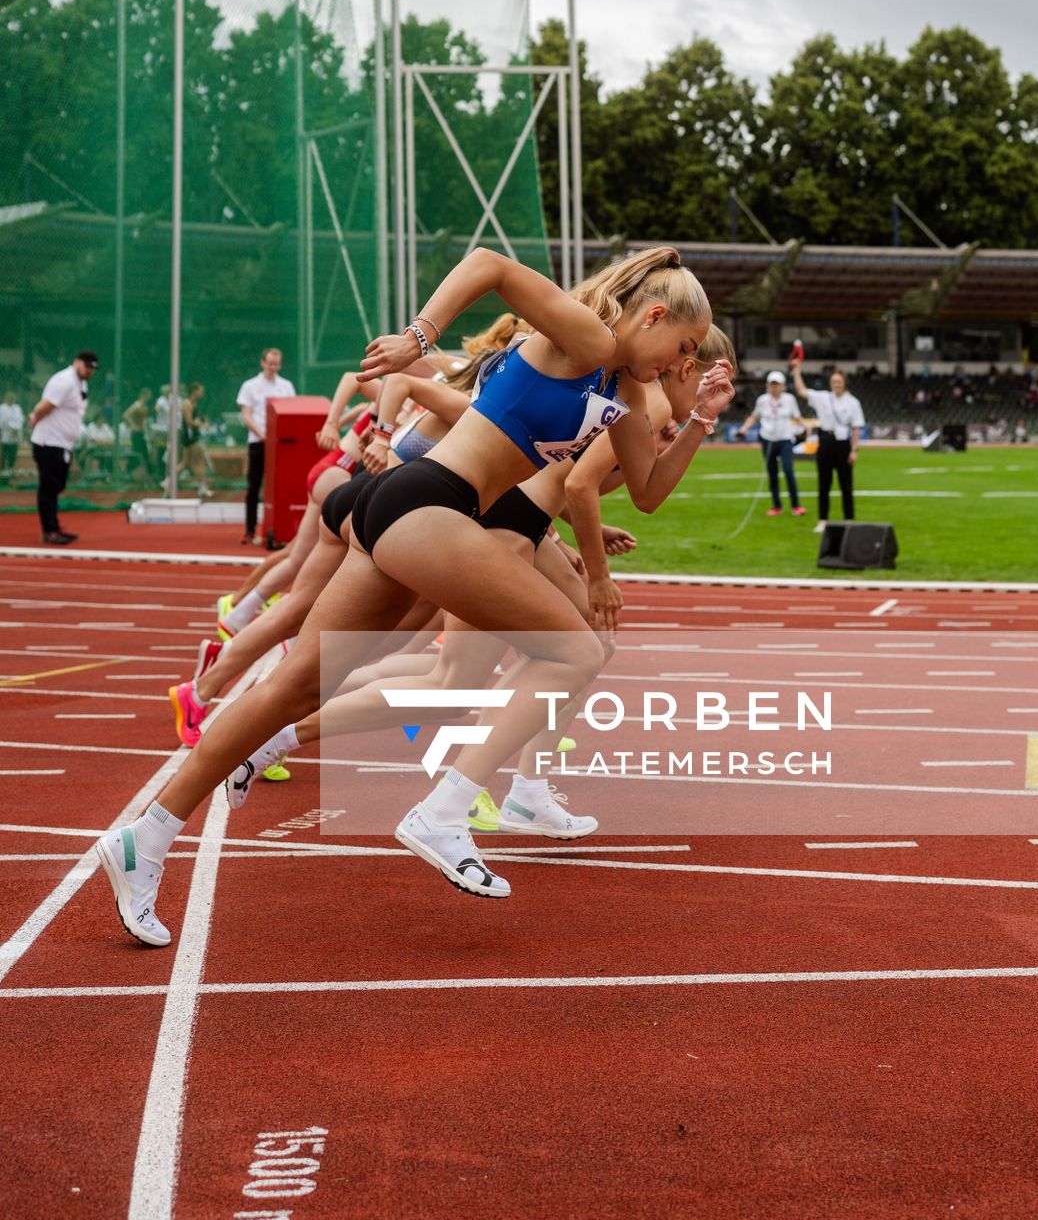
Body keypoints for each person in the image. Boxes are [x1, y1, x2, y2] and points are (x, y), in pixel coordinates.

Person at [97, 244, 730, 941]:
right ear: (656, 314)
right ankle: (446, 808)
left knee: (294, 690)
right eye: (683, 346)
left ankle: (144, 837)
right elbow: (490, 264)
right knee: (576, 651)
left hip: (410, 513)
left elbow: (647, 492)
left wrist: (697, 417)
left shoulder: (630, 393)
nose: (681, 363)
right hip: (430, 500)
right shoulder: (589, 338)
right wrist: (417, 337)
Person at [28, 350, 98, 544]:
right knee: (49, 487)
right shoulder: (64, 380)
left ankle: (54, 526)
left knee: (57, 485)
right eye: (86, 366)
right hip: (49, 441)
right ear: (76, 362)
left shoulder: (81, 383)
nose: (89, 371)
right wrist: (34, 417)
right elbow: (46, 405)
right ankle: (49, 530)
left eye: (92, 368)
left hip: (62, 443)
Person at [237, 348, 296, 544]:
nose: (273, 367)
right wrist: (263, 435)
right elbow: (246, 416)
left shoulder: (286, 386)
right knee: (253, 486)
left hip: (282, 445)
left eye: (276, 364)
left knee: (282, 487)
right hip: (259, 442)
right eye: (269, 363)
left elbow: (291, 413)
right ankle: (249, 529)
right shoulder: (250, 386)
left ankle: (281, 528)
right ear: (262, 363)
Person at [791, 362, 863, 524]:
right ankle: (822, 520)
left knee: (846, 484)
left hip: (843, 444)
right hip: (825, 442)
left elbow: (856, 429)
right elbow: (802, 391)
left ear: (844, 383)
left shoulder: (853, 402)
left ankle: (848, 520)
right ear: (830, 383)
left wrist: (854, 450)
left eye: (839, 381)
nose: (836, 384)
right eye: (834, 382)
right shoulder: (823, 397)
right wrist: (796, 372)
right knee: (824, 484)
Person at [743, 369, 805, 517]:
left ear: (783, 385)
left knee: (789, 471)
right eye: (772, 384)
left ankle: (795, 505)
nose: (775, 387)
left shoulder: (789, 399)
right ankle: (776, 506)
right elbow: (754, 416)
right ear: (768, 385)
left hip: (785, 439)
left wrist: (805, 427)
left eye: (777, 384)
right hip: (768, 439)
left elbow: (797, 416)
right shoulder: (762, 400)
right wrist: (743, 429)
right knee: (772, 473)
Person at [0, 391, 23, 480]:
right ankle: (4, 475)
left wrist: (17, 428)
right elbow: (2, 421)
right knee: (5, 455)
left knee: (13, 456)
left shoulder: (17, 408)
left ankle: (11, 472)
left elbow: (20, 418)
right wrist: (11, 427)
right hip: (6, 435)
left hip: (16, 435)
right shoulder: (2, 408)